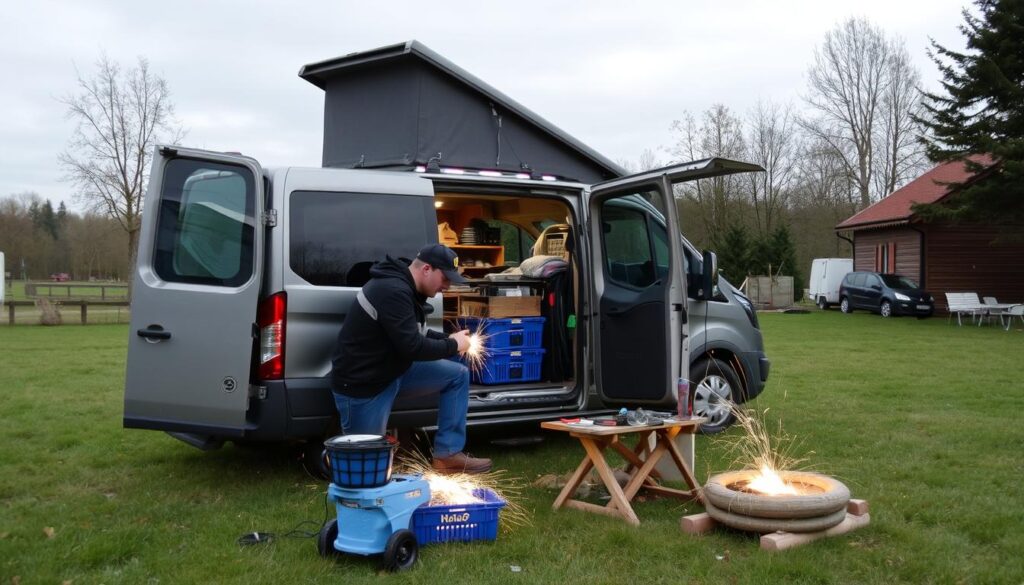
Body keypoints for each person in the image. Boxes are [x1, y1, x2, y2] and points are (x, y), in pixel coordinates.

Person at [330, 243, 492, 474]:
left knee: (457, 375)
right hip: (364, 385)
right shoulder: (392, 290)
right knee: (366, 466)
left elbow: (416, 332)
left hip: (392, 370)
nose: (446, 286)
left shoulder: (408, 288)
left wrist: (449, 338)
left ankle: (448, 456)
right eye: (445, 278)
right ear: (427, 269)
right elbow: (413, 347)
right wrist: (453, 344)